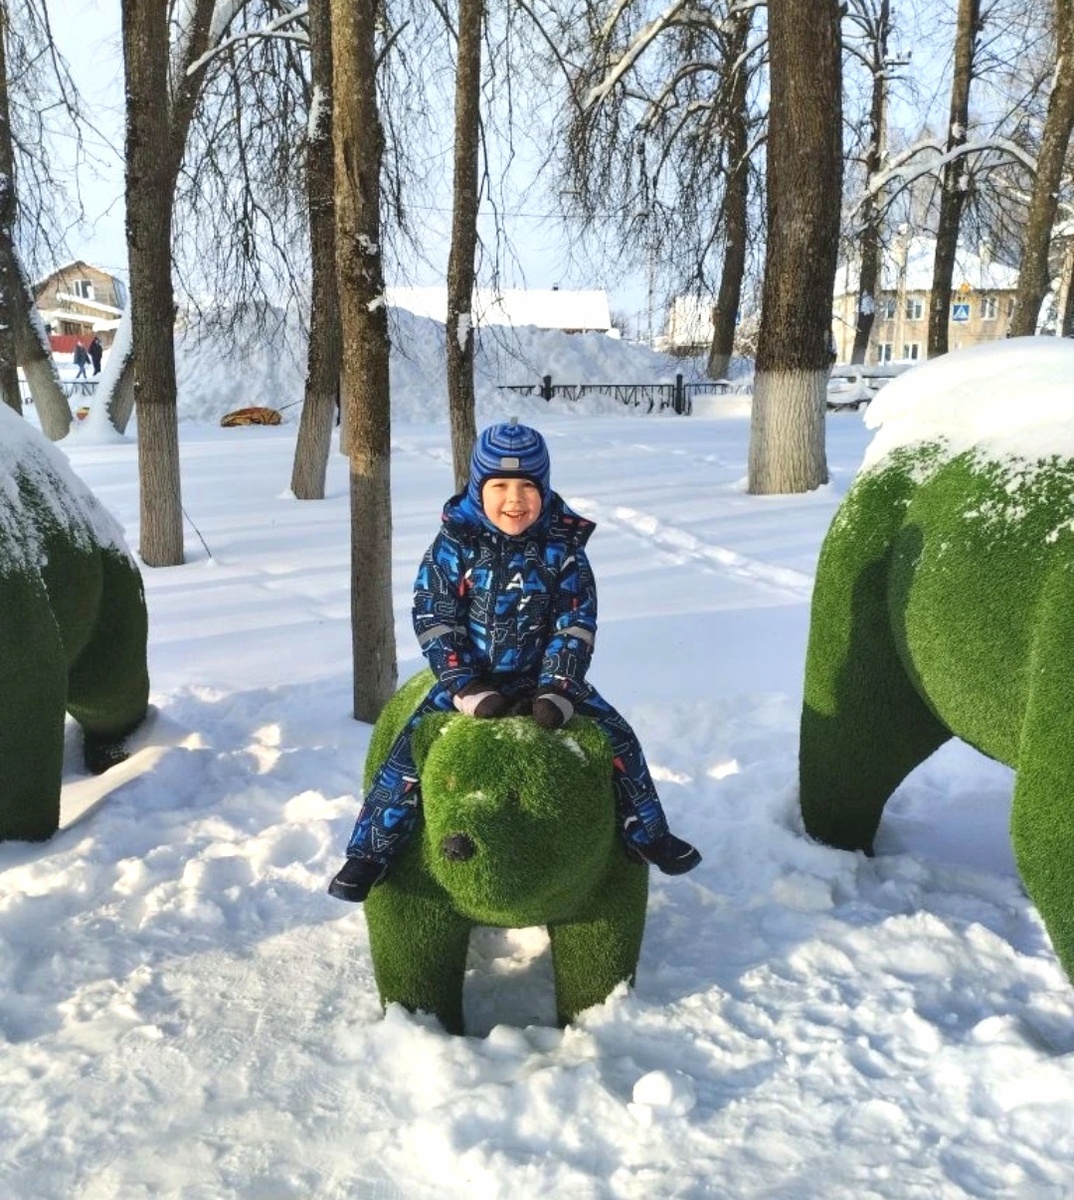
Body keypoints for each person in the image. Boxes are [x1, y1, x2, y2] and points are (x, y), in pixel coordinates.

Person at [328, 420, 702, 902]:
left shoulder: (563, 550)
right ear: (477, 489)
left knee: (618, 738)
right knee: (407, 758)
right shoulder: (455, 545)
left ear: (543, 489)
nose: (514, 499)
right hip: (471, 681)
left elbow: (575, 623)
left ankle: (648, 834)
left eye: (527, 486)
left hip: (541, 678)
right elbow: (435, 618)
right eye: (499, 485)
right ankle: (370, 853)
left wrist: (559, 688)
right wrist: (465, 686)